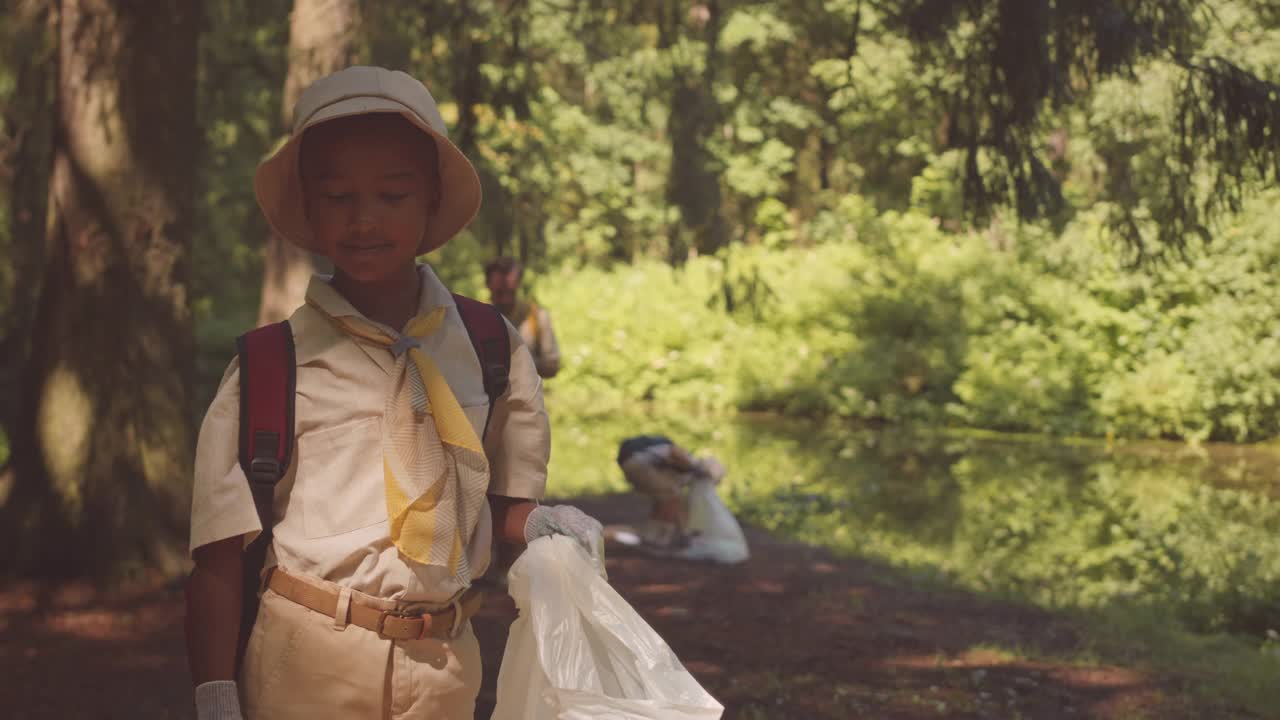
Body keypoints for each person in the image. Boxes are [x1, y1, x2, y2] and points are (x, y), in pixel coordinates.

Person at [184, 66, 603, 720]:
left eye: (393, 195)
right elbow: (216, 556)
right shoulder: (272, 364)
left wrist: (545, 524)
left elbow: (504, 505)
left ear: (432, 199)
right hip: (305, 664)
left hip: (445, 666)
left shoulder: (491, 347)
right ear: (308, 206)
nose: (364, 221)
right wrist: (215, 696)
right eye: (338, 197)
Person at [616, 435, 723, 553]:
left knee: (664, 498)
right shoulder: (689, 460)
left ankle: (653, 536)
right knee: (671, 496)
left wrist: (685, 530)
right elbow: (675, 454)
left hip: (630, 462)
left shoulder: (681, 470)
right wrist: (695, 467)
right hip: (636, 463)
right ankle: (658, 539)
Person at [484, 256, 560, 378]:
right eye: (499, 293)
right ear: (487, 285)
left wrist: (521, 362)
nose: (505, 300)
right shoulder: (477, 318)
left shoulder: (536, 316)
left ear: (518, 285)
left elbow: (552, 367)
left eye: (511, 293)